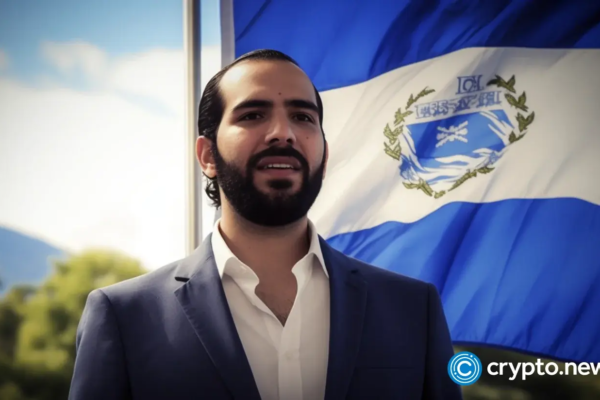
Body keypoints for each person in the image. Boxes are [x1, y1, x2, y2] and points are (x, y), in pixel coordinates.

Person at [68, 49, 463, 400]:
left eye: (302, 117)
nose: (283, 133)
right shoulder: (124, 317)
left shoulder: (413, 310)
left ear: (324, 155)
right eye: (253, 115)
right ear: (207, 156)